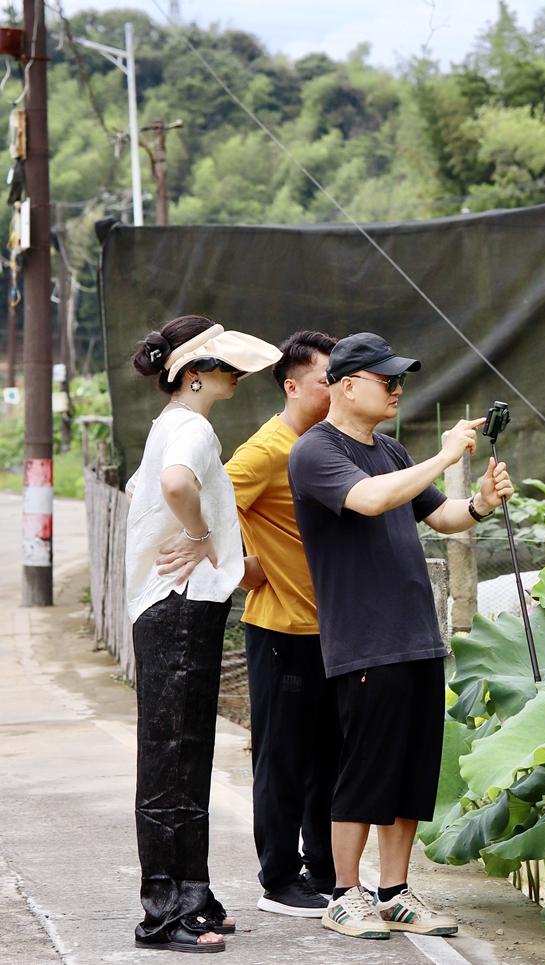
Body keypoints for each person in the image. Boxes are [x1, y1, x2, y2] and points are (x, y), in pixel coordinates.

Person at [288, 331, 514, 941]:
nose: (397, 389)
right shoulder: (314, 453)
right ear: (347, 385)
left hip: (417, 635)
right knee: (364, 770)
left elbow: (442, 516)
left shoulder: (388, 450)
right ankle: (344, 893)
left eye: (399, 380)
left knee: (412, 773)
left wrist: (482, 503)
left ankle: (395, 892)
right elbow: (366, 501)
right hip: (365, 640)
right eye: (387, 380)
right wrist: (443, 458)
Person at [126, 315, 281, 953]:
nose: (236, 375)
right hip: (177, 606)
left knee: (188, 756)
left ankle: (194, 897)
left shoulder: (172, 425)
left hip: (181, 605)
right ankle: (163, 912)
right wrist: (196, 536)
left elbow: (152, 492)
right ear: (193, 375)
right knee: (172, 760)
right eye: (224, 366)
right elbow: (171, 486)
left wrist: (218, 553)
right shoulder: (191, 427)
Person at [224, 330, 341, 918]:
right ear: (293, 386)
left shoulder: (332, 446)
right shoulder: (267, 450)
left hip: (333, 631)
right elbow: (202, 497)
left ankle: (325, 870)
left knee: (329, 758)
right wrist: (237, 565)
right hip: (280, 633)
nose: (339, 387)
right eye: (328, 379)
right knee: (282, 759)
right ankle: (278, 877)